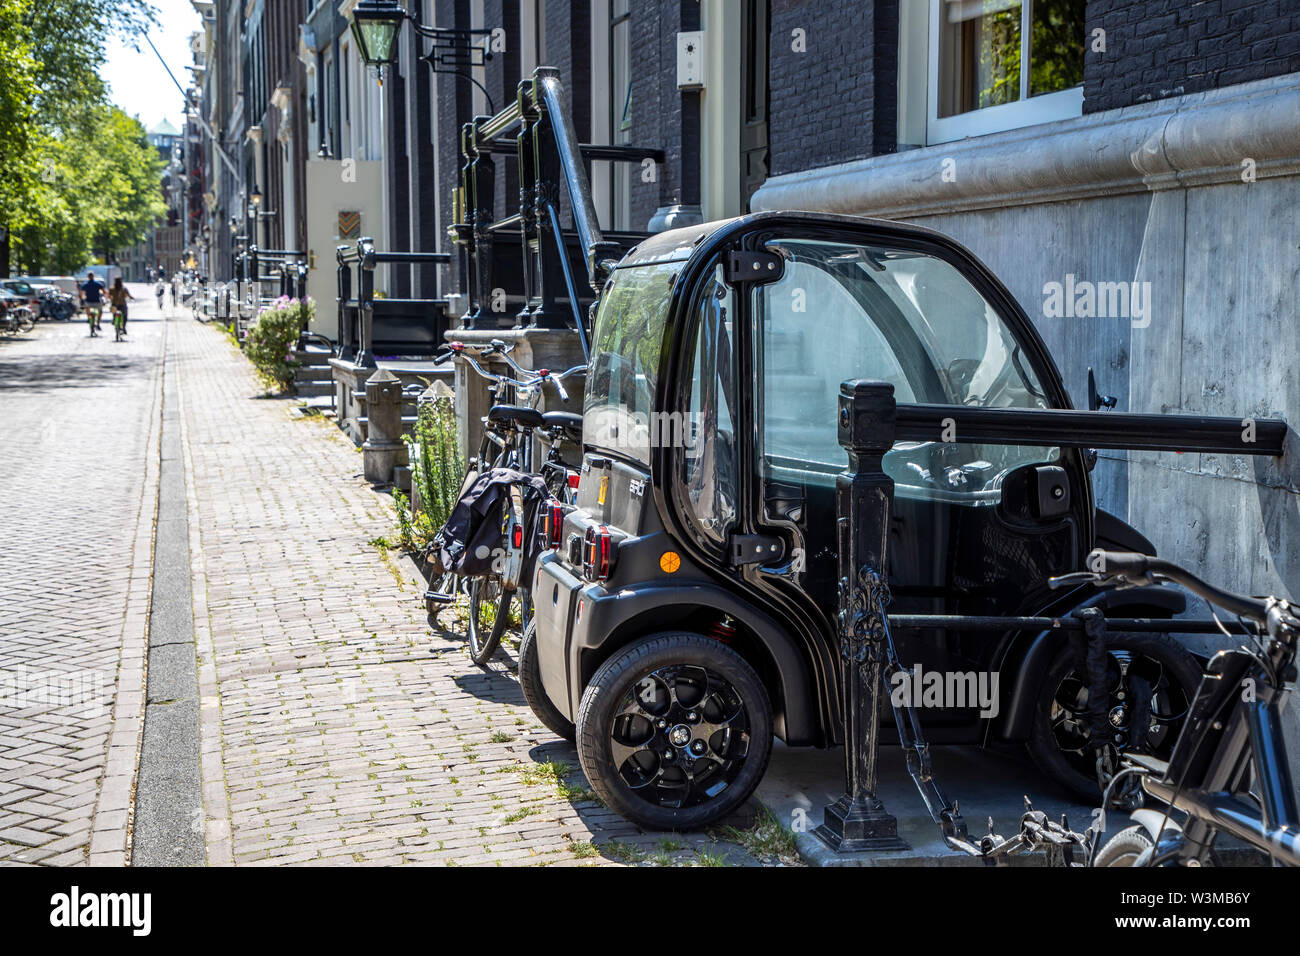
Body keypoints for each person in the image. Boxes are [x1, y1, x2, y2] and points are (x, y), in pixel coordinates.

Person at [80, 271, 106, 336]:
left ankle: (88, 318)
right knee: (100, 311)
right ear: (93, 276)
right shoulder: (97, 284)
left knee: (87, 308)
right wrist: (102, 294)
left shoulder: (85, 284)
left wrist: (83, 298)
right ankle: (98, 323)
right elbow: (104, 291)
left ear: (88, 277)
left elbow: (82, 293)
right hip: (97, 301)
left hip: (88, 301)